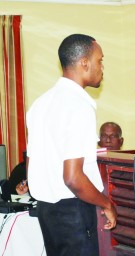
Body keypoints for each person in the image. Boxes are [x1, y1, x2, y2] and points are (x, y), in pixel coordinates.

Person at [26, 34, 117, 256]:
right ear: (84, 63)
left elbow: (31, 164)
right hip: (72, 214)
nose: (102, 67)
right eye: (99, 60)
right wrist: (107, 204)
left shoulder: (40, 103)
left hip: (47, 212)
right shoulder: (79, 106)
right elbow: (73, 178)